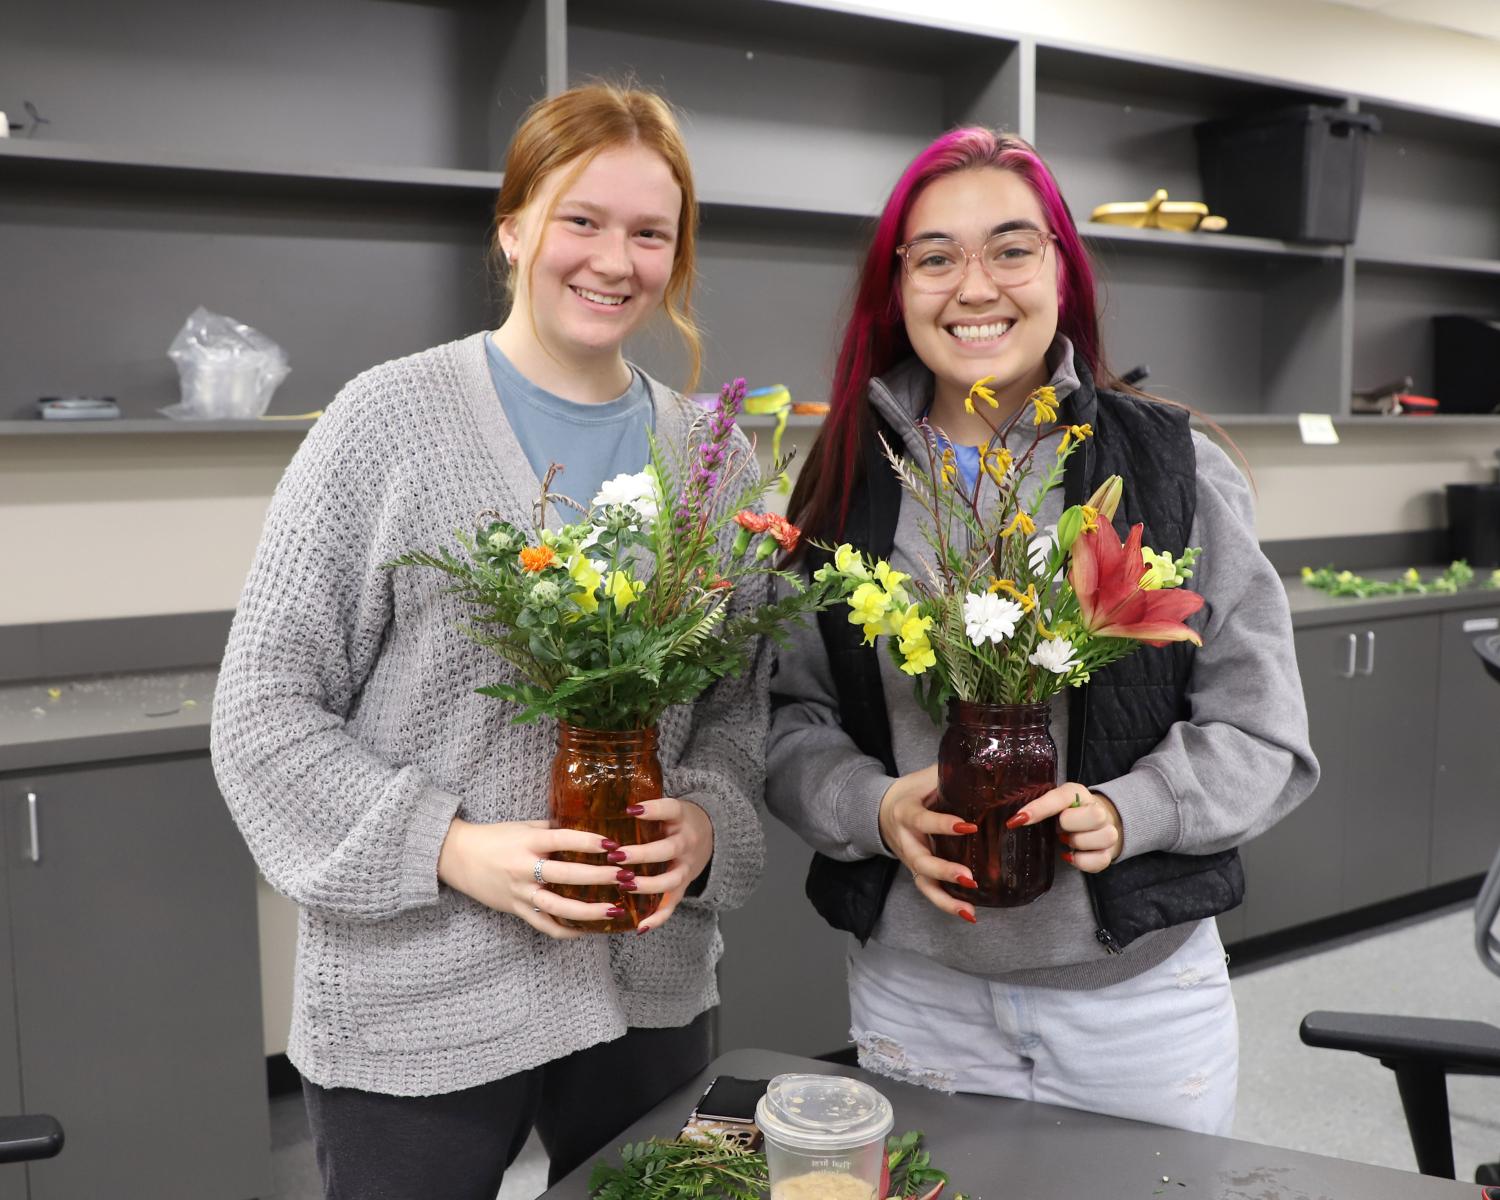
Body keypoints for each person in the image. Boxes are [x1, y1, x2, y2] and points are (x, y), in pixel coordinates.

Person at [211, 83, 768, 1199]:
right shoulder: (386, 423)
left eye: (651, 233)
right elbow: (263, 712)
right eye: (582, 220)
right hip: (419, 993)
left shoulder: (713, 461)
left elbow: (738, 714)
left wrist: (705, 824)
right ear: (512, 228)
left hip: (647, 987)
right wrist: (452, 847)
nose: (615, 260)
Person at [766, 128, 1318, 1135]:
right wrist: (873, 805)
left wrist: (1137, 809)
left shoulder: (1171, 464)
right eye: (936, 257)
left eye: (1012, 249)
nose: (974, 286)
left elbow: (1265, 733)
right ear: (898, 287)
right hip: (916, 991)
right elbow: (785, 721)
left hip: (1138, 1001)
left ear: (1063, 270)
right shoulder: (844, 484)